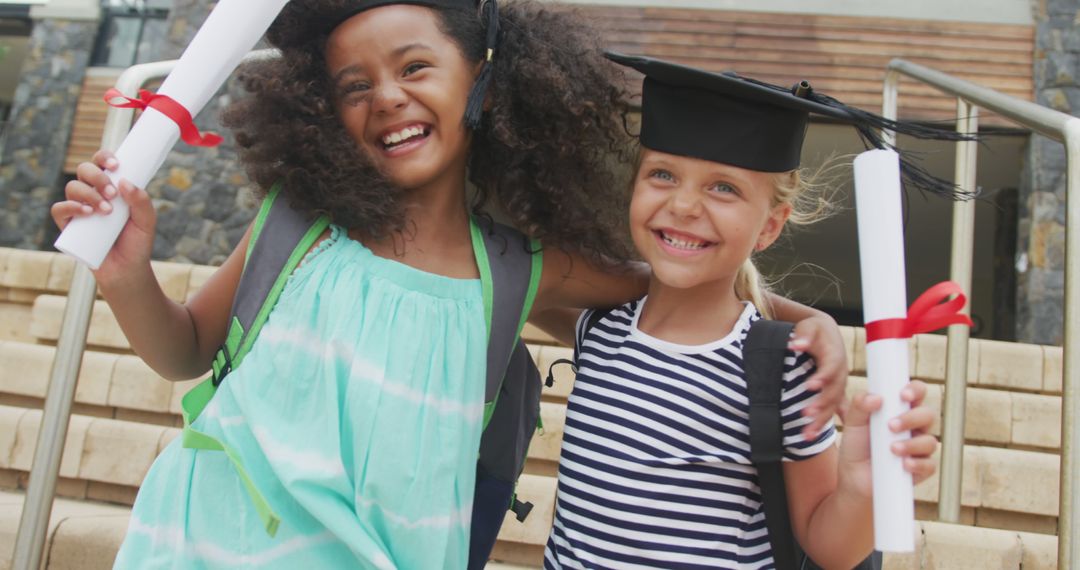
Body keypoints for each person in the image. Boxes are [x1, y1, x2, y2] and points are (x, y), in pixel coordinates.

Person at [52, 3, 848, 568]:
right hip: (205, 543)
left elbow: (680, 283)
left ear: (485, 88)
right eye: (353, 85)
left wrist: (807, 319)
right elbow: (185, 349)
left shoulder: (519, 269)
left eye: (415, 67)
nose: (387, 96)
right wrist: (128, 277)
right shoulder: (298, 223)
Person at [543, 53, 943, 570]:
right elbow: (518, 278)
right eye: (662, 174)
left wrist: (864, 488)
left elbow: (830, 546)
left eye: (723, 187)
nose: (684, 205)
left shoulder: (780, 368)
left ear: (770, 226)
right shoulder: (597, 329)